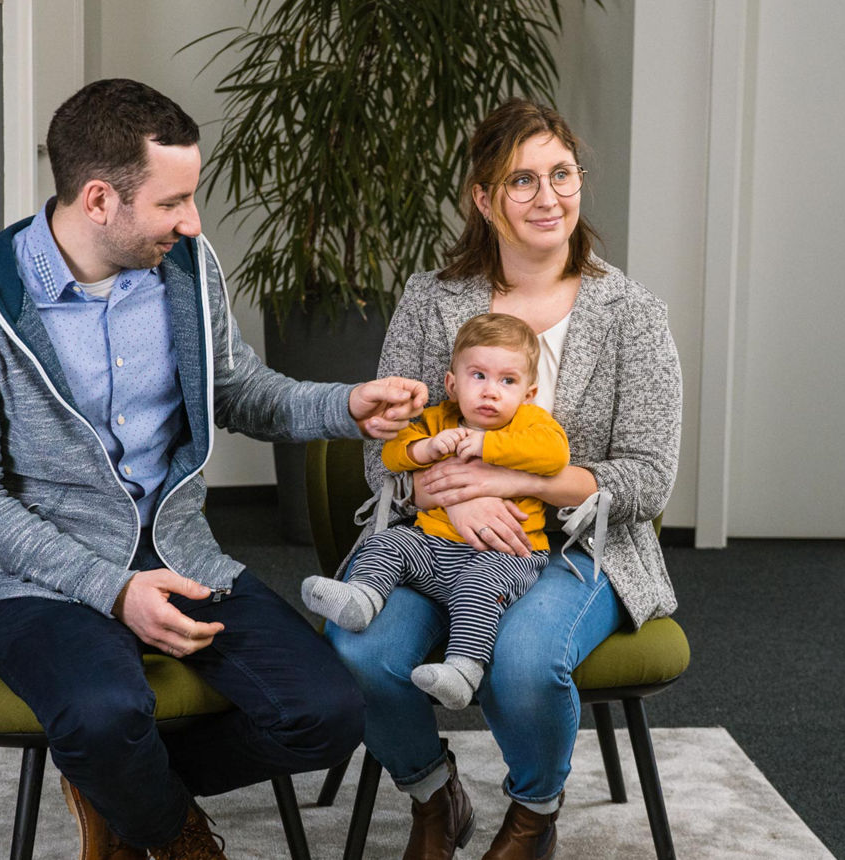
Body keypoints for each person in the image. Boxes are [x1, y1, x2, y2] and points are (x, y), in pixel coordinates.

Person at [0, 78, 427, 860]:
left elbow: (238, 391)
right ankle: (173, 832)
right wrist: (114, 591)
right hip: (39, 581)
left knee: (329, 715)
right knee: (103, 716)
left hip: (182, 557)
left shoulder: (185, 266)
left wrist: (347, 405)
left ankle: (117, 787)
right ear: (98, 200)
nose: (193, 221)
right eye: (173, 201)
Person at [326, 98, 682, 860]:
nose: (548, 197)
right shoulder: (431, 300)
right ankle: (433, 793)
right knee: (360, 648)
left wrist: (513, 485)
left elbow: (649, 477)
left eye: (562, 175)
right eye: (523, 180)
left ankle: (532, 815)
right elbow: (383, 449)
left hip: (574, 549)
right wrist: (438, 493)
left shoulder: (632, 313)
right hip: (437, 535)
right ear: (484, 200)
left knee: (522, 663)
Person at [301, 312, 570, 710]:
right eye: (478, 376)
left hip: (506, 555)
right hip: (434, 545)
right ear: (452, 384)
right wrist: (425, 449)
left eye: (507, 381)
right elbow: (391, 455)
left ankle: (462, 670)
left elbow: (555, 455)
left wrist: (487, 446)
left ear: (528, 394)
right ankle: (362, 598)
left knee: (478, 588)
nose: (491, 392)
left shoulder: (531, 423)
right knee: (390, 543)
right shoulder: (436, 419)